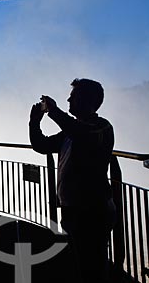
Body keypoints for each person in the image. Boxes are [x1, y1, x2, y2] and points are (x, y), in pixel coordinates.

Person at [29, 78, 116, 283]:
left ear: (88, 100)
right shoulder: (72, 131)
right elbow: (42, 145)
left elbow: (81, 134)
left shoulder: (101, 128)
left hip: (93, 212)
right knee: (78, 264)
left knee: (92, 267)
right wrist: (34, 122)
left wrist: (54, 111)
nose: (69, 99)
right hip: (73, 210)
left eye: (74, 96)